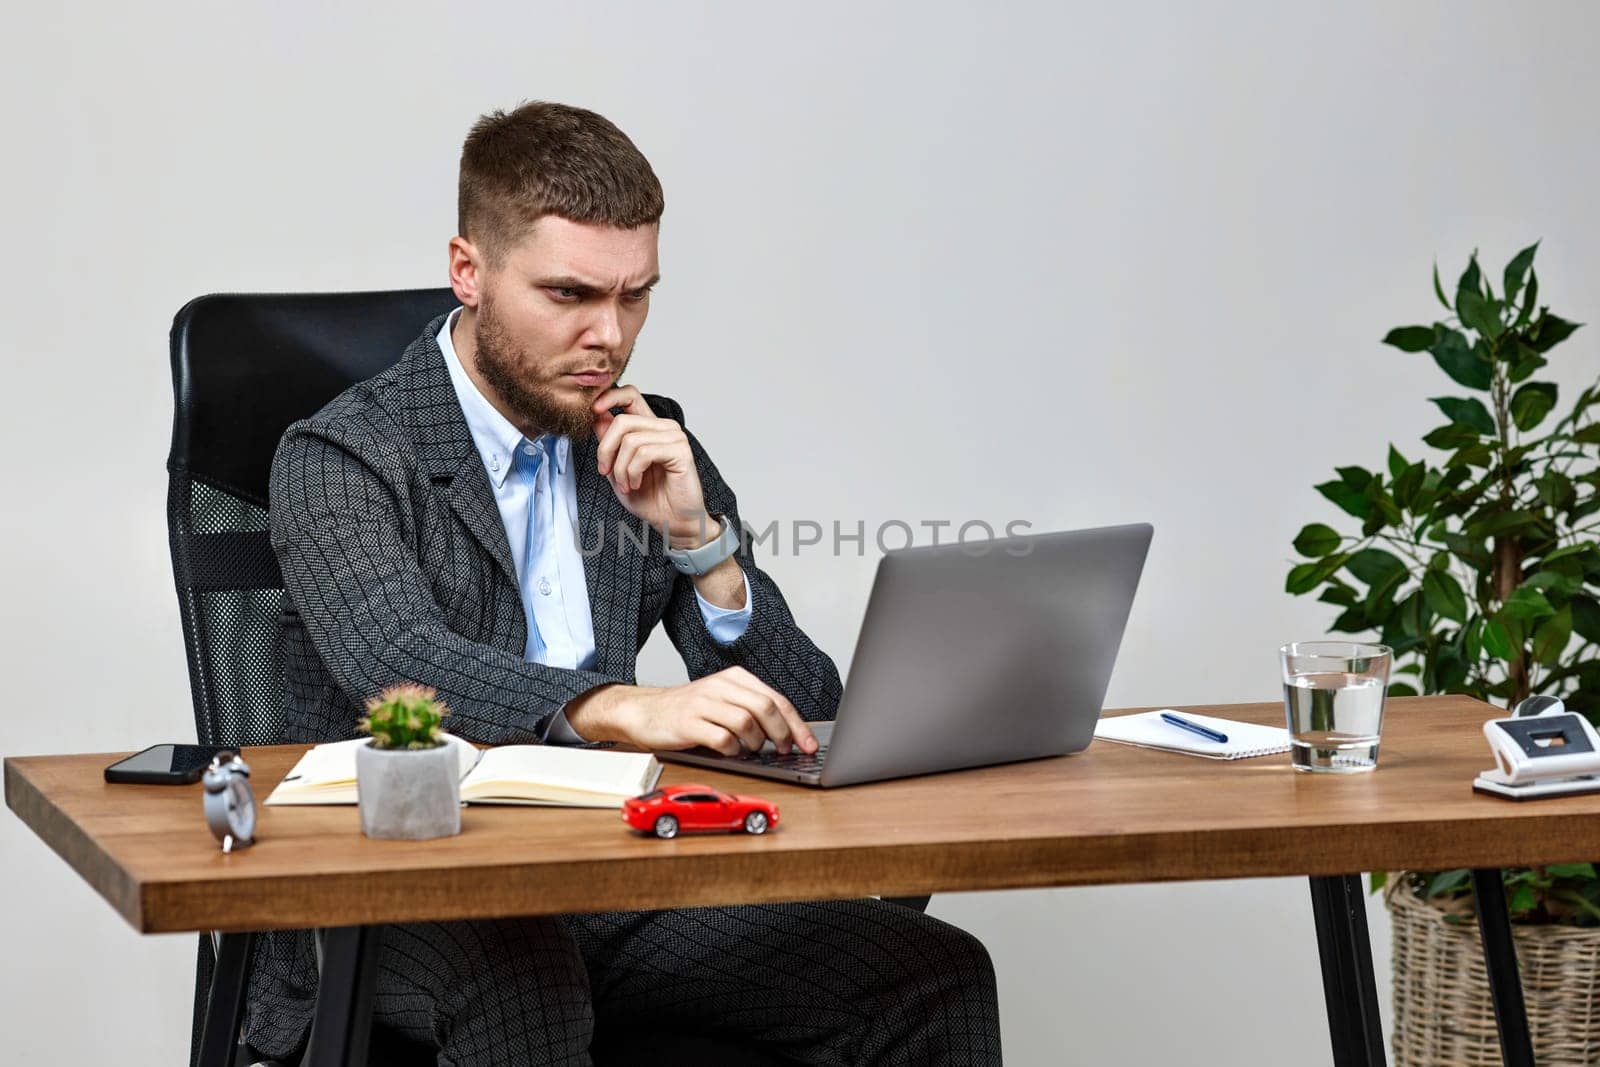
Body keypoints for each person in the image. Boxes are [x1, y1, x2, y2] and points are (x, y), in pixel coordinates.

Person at [244, 100, 1002, 1065]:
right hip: (387, 886)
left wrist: (704, 547)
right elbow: (402, 664)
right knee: (527, 990)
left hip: (602, 875)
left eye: (634, 296)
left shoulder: (645, 438)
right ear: (468, 271)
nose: (609, 335)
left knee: (931, 972)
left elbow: (811, 714)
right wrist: (618, 709)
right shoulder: (343, 454)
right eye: (569, 296)